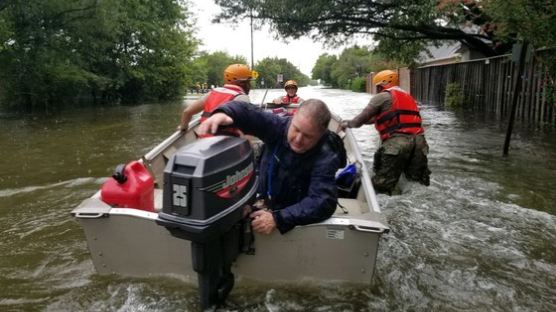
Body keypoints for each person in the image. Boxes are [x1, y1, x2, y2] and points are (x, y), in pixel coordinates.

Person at [198, 99, 340, 235]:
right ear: (293, 118)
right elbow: (249, 113)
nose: (298, 140)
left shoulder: (326, 155)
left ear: (321, 135)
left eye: (308, 136)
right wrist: (225, 112)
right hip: (265, 196)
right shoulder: (277, 126)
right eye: (296, 129)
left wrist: (278, 218)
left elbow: (323, 201)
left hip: (294, 213)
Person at [341, 69, 431, 194]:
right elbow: (383, 118)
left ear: (383, 84)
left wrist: (347, 123)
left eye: (378, 86)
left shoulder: (381, 97)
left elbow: (359, 120)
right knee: (416, 184)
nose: (377, 89)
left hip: (398, 143)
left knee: (382, 186)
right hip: (419, 143)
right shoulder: (408, 97)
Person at [178, 63, 254, 131]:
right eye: (249, 82)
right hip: (228, 141)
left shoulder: (212, 93)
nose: (250, 86)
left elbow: (187, 112)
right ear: (242, 83)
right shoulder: (242, 98)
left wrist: (183, 128)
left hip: (203, 139)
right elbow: (248, 127)